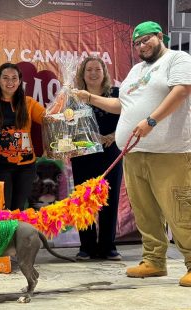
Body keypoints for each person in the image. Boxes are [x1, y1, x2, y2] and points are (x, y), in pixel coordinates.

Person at [74, 21, 191, 286]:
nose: (141, 45)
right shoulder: (137, 70)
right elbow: (121, 105)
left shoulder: (178, 58)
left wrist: (151, 121)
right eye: (137, 43)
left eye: (146, 40)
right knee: (145, 212)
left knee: (180, 209)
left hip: (170, 152)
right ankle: (153, 260)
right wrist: (89, 97)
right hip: (135, 153)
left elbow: (183, 90)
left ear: (160, 37)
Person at [71, 56, 123, 261]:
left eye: (97, 69)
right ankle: (87, 246)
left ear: (105, 72)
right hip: (83, 154)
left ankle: (108, 246)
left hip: (111, 152)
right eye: (89, 70)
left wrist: (114, 136)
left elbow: (130, 116)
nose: (93, 73)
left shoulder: (116, 94)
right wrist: (86, 138)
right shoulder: (74, 97)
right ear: (82, 75)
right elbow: (66, 125)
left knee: (109, 199)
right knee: (83, 200)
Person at [0, 63, 45, 211]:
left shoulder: (28, 103)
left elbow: (48, 118)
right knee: (3, 210)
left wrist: (65, 105)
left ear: (20, 81)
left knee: (19, 209)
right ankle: (7, 234)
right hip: (1, 167)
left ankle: (17, 235)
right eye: (6, 78)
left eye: (14, 78)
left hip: (26, 168)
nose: (10, 82)